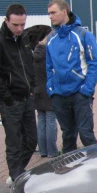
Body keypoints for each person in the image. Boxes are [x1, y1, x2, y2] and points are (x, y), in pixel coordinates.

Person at [0, 4, 38, 186]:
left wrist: (31, 86)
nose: (20, 28)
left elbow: (28, 64)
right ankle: (16, 177)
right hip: (11, 100)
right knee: (14, 142)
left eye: (23, 24)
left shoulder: (23, 38)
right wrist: (7, 97)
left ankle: (16, 172)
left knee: (32, 140)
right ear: (6, 20)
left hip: (26, 97)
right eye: (16, 24)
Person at [45, 0, 97, 153]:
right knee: (68, 136)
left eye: (53, 12)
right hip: (59, 95)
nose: (50, 16)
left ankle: (96, 170)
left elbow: (95, 64)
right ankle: (70, 173)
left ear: (64, 12)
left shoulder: (83, 35)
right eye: (49, 13)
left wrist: (86, 90)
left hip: (80, 94)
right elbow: (48, 67)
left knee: (86, 135)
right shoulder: (51, 39)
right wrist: (51, 89)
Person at [31, 29, 59, 158]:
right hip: (48, 88)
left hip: (37, 89)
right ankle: (52, 151)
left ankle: (43, 150)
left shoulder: (35, 53)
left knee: (41, 121)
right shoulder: (49, 53)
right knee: (51, 120)